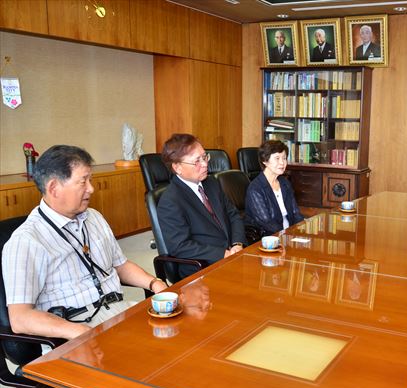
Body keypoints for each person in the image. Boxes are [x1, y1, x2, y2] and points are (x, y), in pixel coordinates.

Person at [1, 145, 167, 340]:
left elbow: (120, 265)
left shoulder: (93, 217)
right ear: (54, 188)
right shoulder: (26, 241)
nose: (91, 188)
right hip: (73, 329)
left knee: (182, 335)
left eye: (91, 180)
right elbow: (21, 318)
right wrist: (79, 332)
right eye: (83, 181)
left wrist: (155, 283)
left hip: (118, 312)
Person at [158, 134, 246, 278]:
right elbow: (180, 246)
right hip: (202, 269)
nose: (205, 164)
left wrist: (237, 244)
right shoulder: (170, 201)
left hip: (233, 257)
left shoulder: (211, 183)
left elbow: (233, 215)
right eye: (197, 161)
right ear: (177, 167)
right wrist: (223, 254)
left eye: (205, 157)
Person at [245, 140, 304, 236]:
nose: (282, 163)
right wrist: (287, 236)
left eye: (284, 158)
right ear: (265, 161)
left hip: (289, 234)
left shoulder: (285, 183)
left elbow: (296, 213)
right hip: (269, 238)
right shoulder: (255, 189)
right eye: (277, 158)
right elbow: (267, 223)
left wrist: (302, 231)